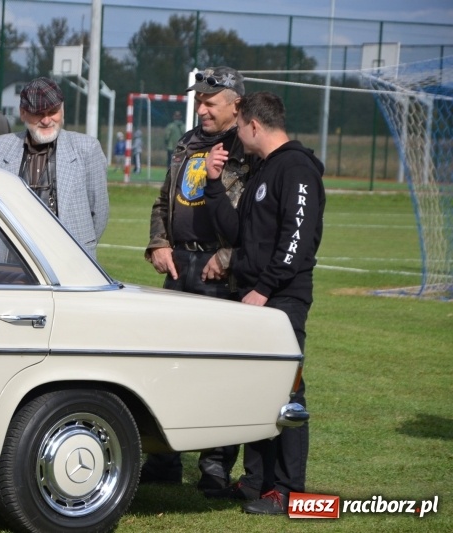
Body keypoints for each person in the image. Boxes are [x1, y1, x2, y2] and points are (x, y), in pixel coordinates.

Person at [203, 91, 325, 514]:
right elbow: (239, 232)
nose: (236, 134)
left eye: (239, 126)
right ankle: (256, 482)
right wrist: (215, 186)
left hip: (280, 299)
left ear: (254, 125)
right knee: (257, 390)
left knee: (288, 394)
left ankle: (291, 492)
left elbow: (298, 239)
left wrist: (265, 288)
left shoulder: (297, 167)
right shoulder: (264, 169)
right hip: (253, 296)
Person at [142, 66, 255, 492]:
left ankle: (215, 466)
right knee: (164, 366)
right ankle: (163, 458)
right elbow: (161, 200)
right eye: (199, 101)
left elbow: (255, 217)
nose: (201, 108)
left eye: (210, 102)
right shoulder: (187, 142)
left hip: (219, 272)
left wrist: (230, 254)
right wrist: (158, 242)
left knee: (217, 371)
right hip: (179, 268)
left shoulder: (246, 147)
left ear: (236, 105)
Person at [0, 77, 109, 259]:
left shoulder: (87, 148)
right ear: (23, 113)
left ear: (62, 110)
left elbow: (99, 211)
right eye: (38, 113)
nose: (46, 120)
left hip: (69, 260)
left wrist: (81, 247)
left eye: (53, 112)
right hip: (13, 259)